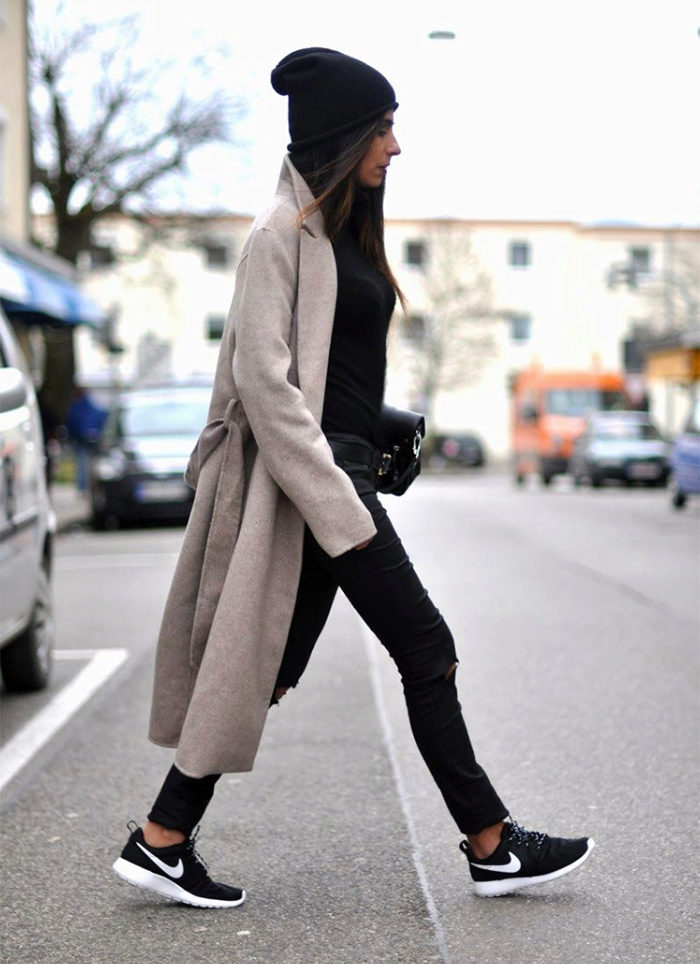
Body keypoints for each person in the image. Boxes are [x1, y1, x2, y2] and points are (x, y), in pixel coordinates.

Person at [113, 48, 595, 909]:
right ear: (342, 136)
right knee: (427, 647)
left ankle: (163, 836)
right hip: (319, 489)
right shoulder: (277, 236)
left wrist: (382, 423)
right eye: (383, 129)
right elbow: (265, 384)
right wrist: (338, 495)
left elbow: (325, 374)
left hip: (338, 473)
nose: (395, 147)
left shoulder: (338, 234)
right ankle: (491, 845)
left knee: (270, 666)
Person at [64, 387, 107, 493]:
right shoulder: (92, 406)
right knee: (93, 464)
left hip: (80, 440)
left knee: (82, 464)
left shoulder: (75, 407)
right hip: (94, 439)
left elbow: (71, 423)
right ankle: (93, 486)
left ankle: (83, 487)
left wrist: (71, 437)